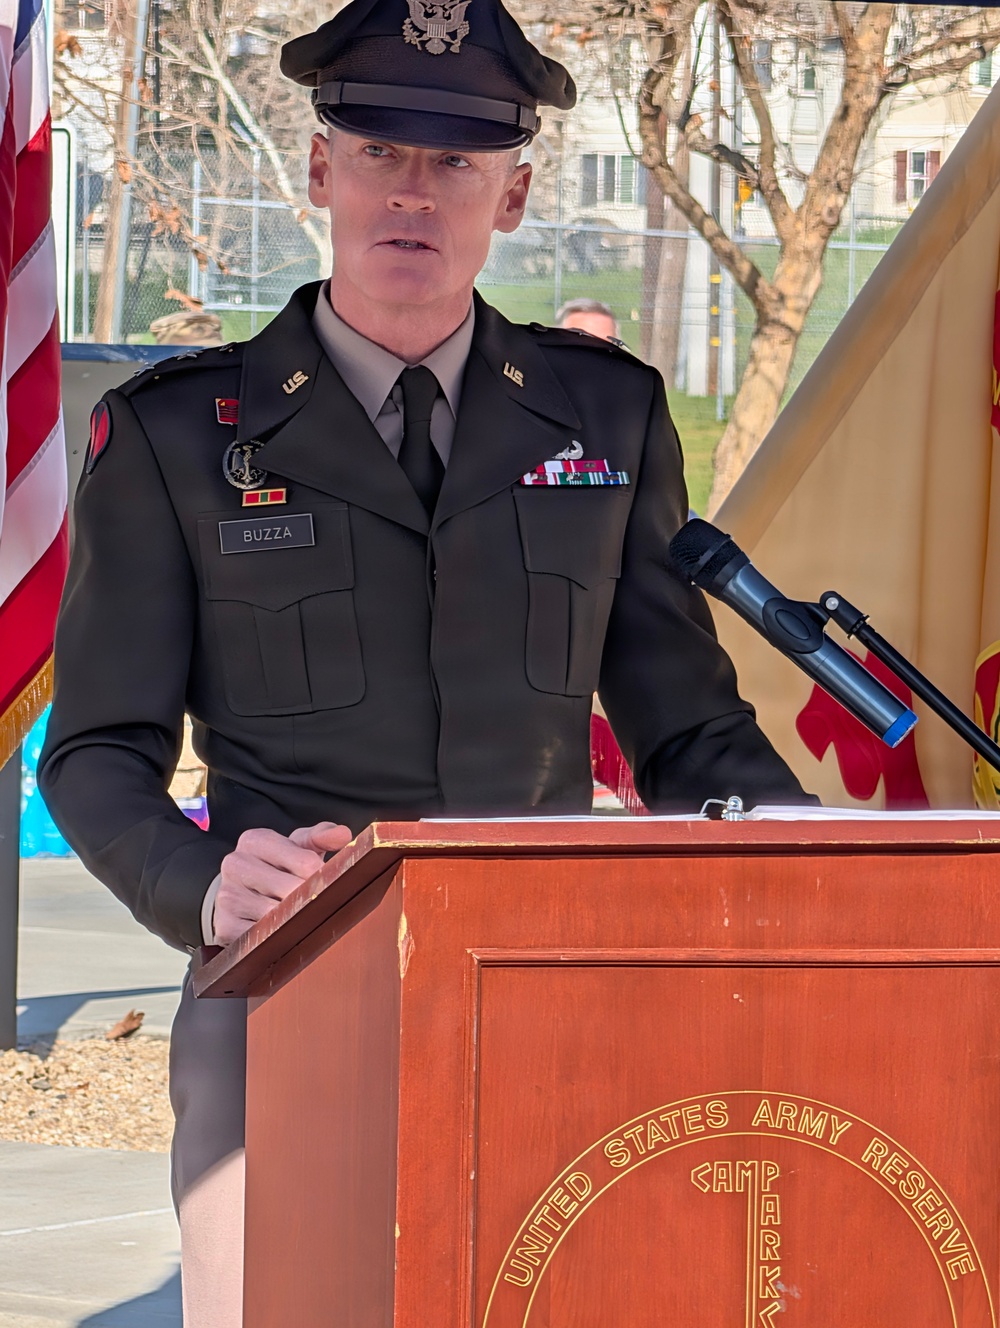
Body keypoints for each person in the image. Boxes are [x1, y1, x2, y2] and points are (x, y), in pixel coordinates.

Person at [38, 0, 813, 1322]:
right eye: (381, 151)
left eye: (455, 162)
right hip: (288, 982)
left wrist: (816, 860)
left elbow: (688, 730)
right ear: (319, 173)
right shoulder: (176, 436)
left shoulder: (603, 414)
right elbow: (96, 750)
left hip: (552, 986)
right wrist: (202, 885)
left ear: (511, 196)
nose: (415, 191)